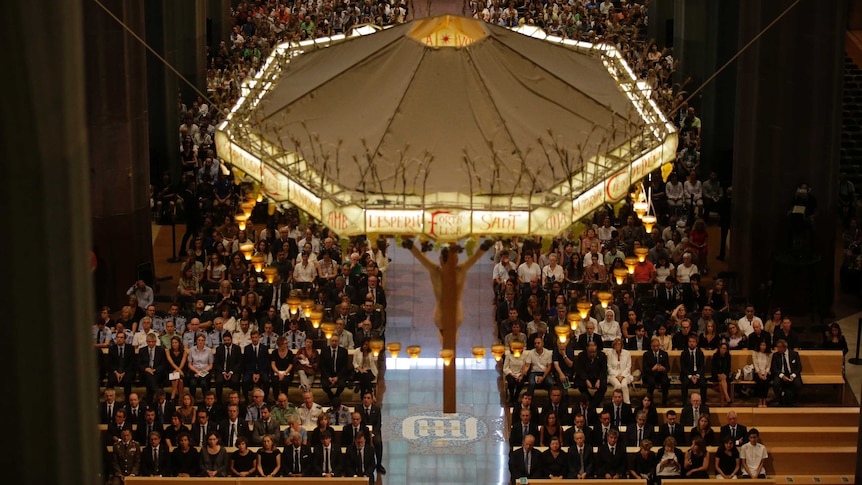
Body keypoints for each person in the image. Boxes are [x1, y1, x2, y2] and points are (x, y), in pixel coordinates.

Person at [576, 340, 607, 408]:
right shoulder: (581, 355)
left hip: (597, 377)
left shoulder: (602, 355)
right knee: (581, 385)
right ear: (587, 348)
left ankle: (592, 405)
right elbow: (580, 370)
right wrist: (586, 380)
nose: (592, 354)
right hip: (586, 377)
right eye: (590, 352)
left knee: (603, 386)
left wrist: (599, 380)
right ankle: (591, 401)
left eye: (593, 352)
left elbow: (603, 369)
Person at [771, 339, 802, 406]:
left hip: (792, 373)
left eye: (780, 347)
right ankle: (780, 400)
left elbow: (799, 368)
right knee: (776, 384)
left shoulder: (794, 354)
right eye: (777, 347)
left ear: (785, 347)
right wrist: (782, 376)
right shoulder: (775, 355)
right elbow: (774, 368)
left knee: (798, 384)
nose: (778, 349)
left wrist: (793, 375)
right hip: (781, 373)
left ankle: (794, 401)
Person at [320, 334, 351, 400]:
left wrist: (337, 377)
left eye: (336, 341)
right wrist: (328, 377)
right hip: (328, 375)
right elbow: (322, 366)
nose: (334, 342)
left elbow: (345, 366)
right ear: (330, 341)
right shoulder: (324, 351)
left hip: (339, 374)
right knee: (325, 385)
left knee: (341, 385)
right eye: (332, 341)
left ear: (338, 341)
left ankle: (335, 397)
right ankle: (332, 398)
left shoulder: (343, 351)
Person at [214, 331, 242, 401]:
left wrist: (231, 372)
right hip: (222, 371)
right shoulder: (219, 349)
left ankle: (236, 399)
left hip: (233, 371)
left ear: (231, 340)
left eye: (228, 340)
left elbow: (239, 363)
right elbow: (216, 363)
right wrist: (223, 372)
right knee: (218, 381)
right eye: (225, 340)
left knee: (235, 381)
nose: (226, 342)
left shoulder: (237, 349)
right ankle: (219, 400)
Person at [643, 336, 670, 405]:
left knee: (665, 382)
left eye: (657, 346)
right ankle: (650, 401)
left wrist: (663, 368)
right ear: (651, 346)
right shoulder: (646, 354)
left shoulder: (664, 354)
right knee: (651, 383)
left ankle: (664, 400)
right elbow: (645, 369)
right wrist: (652, 369)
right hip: (650, 374)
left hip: (661, 374)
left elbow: (668, 368)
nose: (656, 348)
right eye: (654, 346)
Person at [186, 333, 213, 401]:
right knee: (193, 383)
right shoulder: (191, 350)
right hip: (194, 370)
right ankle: (192, 401)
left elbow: (210, 365)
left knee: (204, 383)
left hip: (205, 370)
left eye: (202, 340)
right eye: (199, 340)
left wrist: (202, 372)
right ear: (196, 341)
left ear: (205, 341)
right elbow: (189, 364)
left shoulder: (209, 350)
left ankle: (206, 401)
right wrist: (197, 372)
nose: (200, 342)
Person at [606, 337, 633, 404]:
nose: (617, 346)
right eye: (616, 344)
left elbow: (628, 366)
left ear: (621, 345)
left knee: (623, 385)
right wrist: (617, 376)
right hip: (613, 375)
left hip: (625, 375)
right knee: (618, 385)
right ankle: (614, 402)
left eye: (619, 344)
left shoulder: (627, 353)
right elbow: (609, 367)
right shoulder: (610, 353)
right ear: (613, 345)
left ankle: (627, 403)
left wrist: (622, 376)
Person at [680, 334, 707, 400]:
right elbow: (683, 367)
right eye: (690, 342)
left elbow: (702, 366)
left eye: (693, 342)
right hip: (687, 374)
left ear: (696, 343)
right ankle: (684, 403)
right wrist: (690, 376)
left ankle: (703, 402)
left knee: (703, 383)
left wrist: (697, 375)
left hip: (698, 373)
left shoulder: (700, 353)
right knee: (685, 383)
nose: (691, 343)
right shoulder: (684, 353)